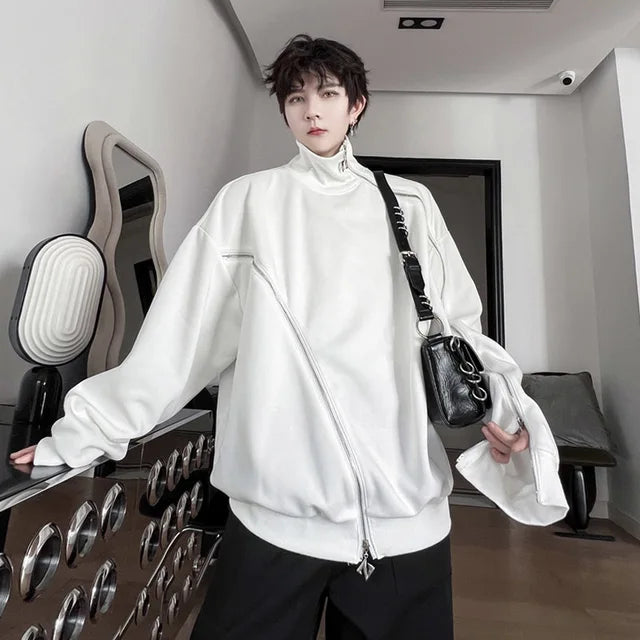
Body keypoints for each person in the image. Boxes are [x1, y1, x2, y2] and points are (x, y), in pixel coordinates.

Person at [11, 34, 568, 639]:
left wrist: (509, 411)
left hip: (408, 523)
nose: (312, 110)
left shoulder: (410, 204)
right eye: (296, 98)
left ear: (356, 105)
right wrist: (84, 433)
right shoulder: (249, 202)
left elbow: (459, 328)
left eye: (328, 94)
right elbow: (179, 339)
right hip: (275, 526)